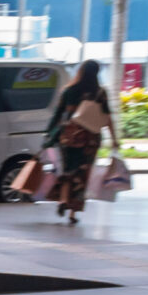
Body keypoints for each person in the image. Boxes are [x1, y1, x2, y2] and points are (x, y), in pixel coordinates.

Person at [45, 60, 118, 224]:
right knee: (82, 174)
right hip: (90, 139)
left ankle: (63, 199)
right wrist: (114, 139)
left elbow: (58, 114)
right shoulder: (100, 93)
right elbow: (108, 118)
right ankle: (73, 213)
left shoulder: (69, 90)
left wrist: (49, 134)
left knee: (67, 170)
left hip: (68, 136)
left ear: (81, 71)